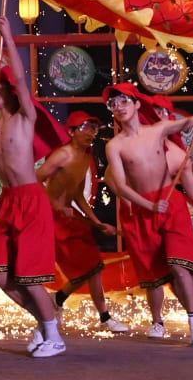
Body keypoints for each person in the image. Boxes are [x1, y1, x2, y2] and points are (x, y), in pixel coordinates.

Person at [103, 82, 193, 346]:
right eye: (113, 104)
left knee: (182, 265)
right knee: (157, 273)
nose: (119, 107)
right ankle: (169, 320)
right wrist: (148, 206)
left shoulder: (160, 132)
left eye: (124, 101)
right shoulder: (114, 146)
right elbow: (118, 185)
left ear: (137, 104)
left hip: (171, 205)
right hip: (144, 210)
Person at [0, 16, 70, 358]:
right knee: (0, 276)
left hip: (30, 199)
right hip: (7, 202)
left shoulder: (25, 117)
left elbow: (23, 78)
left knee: (28, 277)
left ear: (9, 89)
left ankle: (54, 336)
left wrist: (9, 37)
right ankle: (46, 324)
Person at [36, 111, 129, 333]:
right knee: (87, 268)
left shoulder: (85, 156)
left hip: (70, 218)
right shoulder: (62, 155)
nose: (91, 133)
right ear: (71, 131)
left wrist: (96, 222)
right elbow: (34, 181)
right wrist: (56, 206)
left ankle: (60, 301)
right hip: (53, 219)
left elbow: (78, 196)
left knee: (93, 266)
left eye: (94, 129)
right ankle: (98, 315)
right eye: (86, 128)